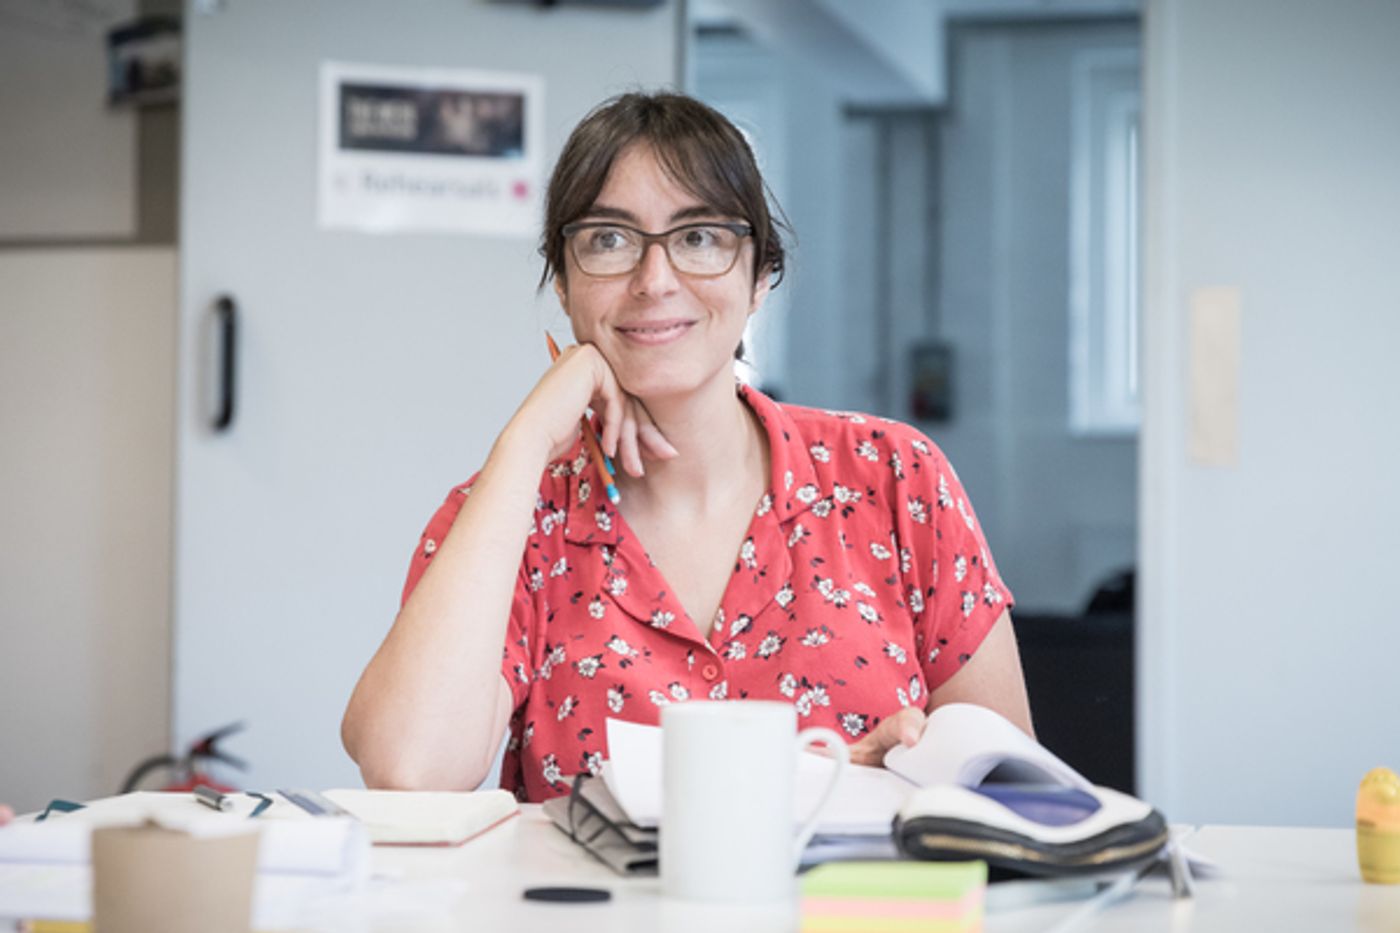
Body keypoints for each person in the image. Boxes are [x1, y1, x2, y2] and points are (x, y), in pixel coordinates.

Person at [342, 91, 1032, 802]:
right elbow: (409, 768)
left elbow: (1012, 790)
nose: (655, 280)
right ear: (564, 282)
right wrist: (525, 440)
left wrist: (865, 788)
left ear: (760, 274)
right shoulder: (511, 516)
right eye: (608, 240)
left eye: (699, 236)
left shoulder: (893, 477)